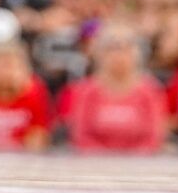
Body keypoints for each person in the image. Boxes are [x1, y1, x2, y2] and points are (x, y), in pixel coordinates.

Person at [60, 24, 168, 154]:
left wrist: (134, 160)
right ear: (100, 54)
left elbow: (154, 136)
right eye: (112, 49)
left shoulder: (150, 91)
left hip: (140, 164)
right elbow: (80, 135)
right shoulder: (86, 91)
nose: (119, 56)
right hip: (94, 164)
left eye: (125, 49)